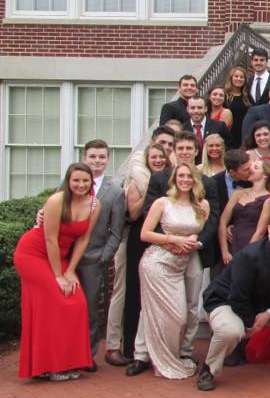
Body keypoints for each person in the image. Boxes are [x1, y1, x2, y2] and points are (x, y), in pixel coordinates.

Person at [197, 211, 270, 390]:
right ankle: (208, 370)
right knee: (231, 331)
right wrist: (252, 323)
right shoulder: (250, 256)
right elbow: (238, 296)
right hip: (226, 302)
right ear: (269, 229)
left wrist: (269, 313)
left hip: (259, 305)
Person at [15, 163, 100, 380]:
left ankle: (69, 362)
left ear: (92, 182)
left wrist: (70, 271)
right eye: (76, 180)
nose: (81, 185)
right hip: (33, 254)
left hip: (60, 258)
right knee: (56, 299)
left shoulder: (94, 205)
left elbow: (83, 238)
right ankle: (49, 366)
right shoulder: (57, 200)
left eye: (85, 181)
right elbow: (50, 239)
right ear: (68, 181)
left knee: (77, 300)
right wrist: (58, 276)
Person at [126, 163, 209, 379]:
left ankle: (172, 354)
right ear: (174, 179)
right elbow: (145, 234)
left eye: (189, 176)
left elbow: (200, 234)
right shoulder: (162, 203)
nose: (185, 180)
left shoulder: (202, 205)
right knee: (149, 310)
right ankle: (141, 355)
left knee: (180, 316)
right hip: (158, 263)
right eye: (181, 176)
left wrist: (194, 242)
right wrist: (171, 239)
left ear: (195, 180)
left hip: (183, 262)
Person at [114, 142, 171, 363]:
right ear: (147, 160)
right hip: (140, 237)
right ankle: (131, 347)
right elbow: (134, 212)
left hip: (162, 237)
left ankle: (159, 348)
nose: (157, 160)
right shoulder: (137, 183)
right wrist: (150, 186)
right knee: (135, 292)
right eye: (153, 157)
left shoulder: (172, 180)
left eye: (161, 157)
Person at [75, 140, 125, 362]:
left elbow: (116, 230)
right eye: (93, 156)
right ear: (85, 157)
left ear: (107, 159)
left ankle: (88, 354)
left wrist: (105, 256)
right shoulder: (72, 182)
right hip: (67, 255)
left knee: (91, 309)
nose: (97, 161)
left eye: (102, 157)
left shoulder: (114, 191)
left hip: (93, 258)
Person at [219, 159, 270, 265]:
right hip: (232, 244)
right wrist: (224, 251)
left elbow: (260, 231)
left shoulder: (269, 199)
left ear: (265, 175)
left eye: (256, 167)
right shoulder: (238, 193)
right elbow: (223, 221)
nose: (250, 170)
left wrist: (246, 254)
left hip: (251, 246)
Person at [185, 96, 231, 164]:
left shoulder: (219, 126)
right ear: (187, 109)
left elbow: (229, 147)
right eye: (192, 108)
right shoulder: (182, 129)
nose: (196, 111)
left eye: (199, 108)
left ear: (205, 109)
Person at [223, 66, 252, 148]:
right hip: (229, 133)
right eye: (236, 76)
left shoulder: (247, 96)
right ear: (231, 78)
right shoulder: (225, 95)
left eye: (242, 77)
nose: (239, 79)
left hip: (243, 133)